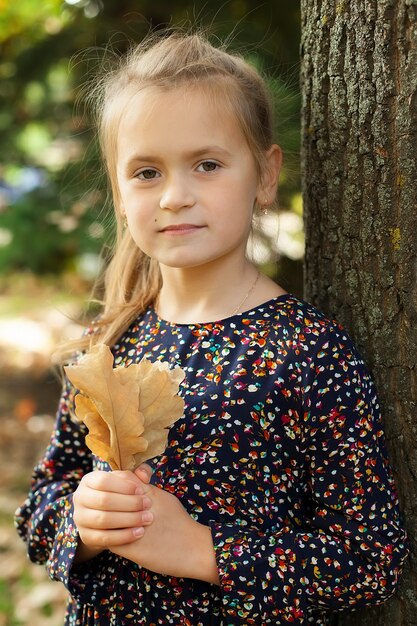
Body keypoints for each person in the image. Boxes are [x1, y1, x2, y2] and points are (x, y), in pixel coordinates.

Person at [15, 30, 408, 626]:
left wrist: (204, 550)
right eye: (146, 172)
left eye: (207, 164)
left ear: (266, 177)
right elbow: (43, 502)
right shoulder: (111, 343)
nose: (174, 196)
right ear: (119, 194)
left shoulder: (307, 351)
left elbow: (370, 560)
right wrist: (83, 523)